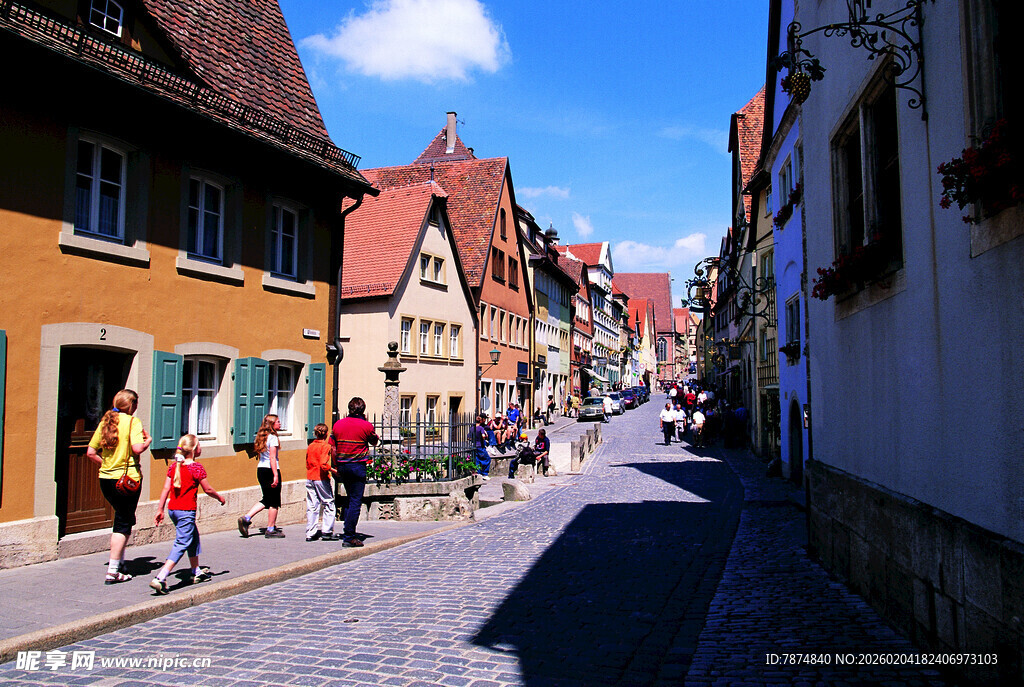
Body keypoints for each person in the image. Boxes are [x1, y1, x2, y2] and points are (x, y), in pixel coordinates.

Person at [86, 389, 152, 585]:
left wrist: (107, 465)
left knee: (124, 517)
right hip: (127, 480)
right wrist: (147, 441)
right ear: (131, 405)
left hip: (105, 479)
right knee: (122, 522)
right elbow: (137, 448)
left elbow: (90, 452)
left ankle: (121, 563)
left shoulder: (106, 421)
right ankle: (113, 571)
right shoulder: (133, 422)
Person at [150, 434, 225, 594]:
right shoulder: (196, 468)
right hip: (186, 511)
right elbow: (208, 489)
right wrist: (219, 497)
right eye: (199, 445)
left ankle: (195, 571)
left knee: (193, 537)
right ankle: (160, 577)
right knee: (182, 542)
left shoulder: (174, 466)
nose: (201, 448)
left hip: (173, 510)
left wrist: (160, 509)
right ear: (193, 450)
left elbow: (165, 489)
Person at [331, 397, 379, 547]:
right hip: (357, 465)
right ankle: (349, 536)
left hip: (342, 465)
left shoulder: (338, 424)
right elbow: (374, 441)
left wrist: (336, 465)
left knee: (349, 498)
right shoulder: (366, 426)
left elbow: (332, 448)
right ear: (363, 410)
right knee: (355, 501)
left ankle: (347, 529)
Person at [238, 414, 285, 539]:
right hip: (270, 469)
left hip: (261, 469)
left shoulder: (262, 437)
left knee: (267, 498)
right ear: (272, 424)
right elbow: (272, 458)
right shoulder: (273, 438)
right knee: (274, 501)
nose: (280, 424)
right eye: (278, 422)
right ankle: (270, 528)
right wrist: (275, 475)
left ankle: (246, 518)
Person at [305, 423, 337, 542]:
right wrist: (334, 470)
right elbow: (323, 464)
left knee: (312, 505)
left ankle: (310, 532)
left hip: (310, 476)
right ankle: (327, 531)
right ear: (326, 434)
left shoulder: (311, 446)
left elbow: (307, 462)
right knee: (328, 503)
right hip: (321, 478)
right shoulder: (325, 446)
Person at [474, 414, 491, 480]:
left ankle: (478, 473)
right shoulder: (480, 428)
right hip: (480, 445)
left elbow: (469, 438)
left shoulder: (472, 428)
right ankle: (485, 473)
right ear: (480, 421)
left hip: (474, 446)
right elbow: (483, 436)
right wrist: (485, 437)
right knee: (487, 459)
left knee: (477, 460)